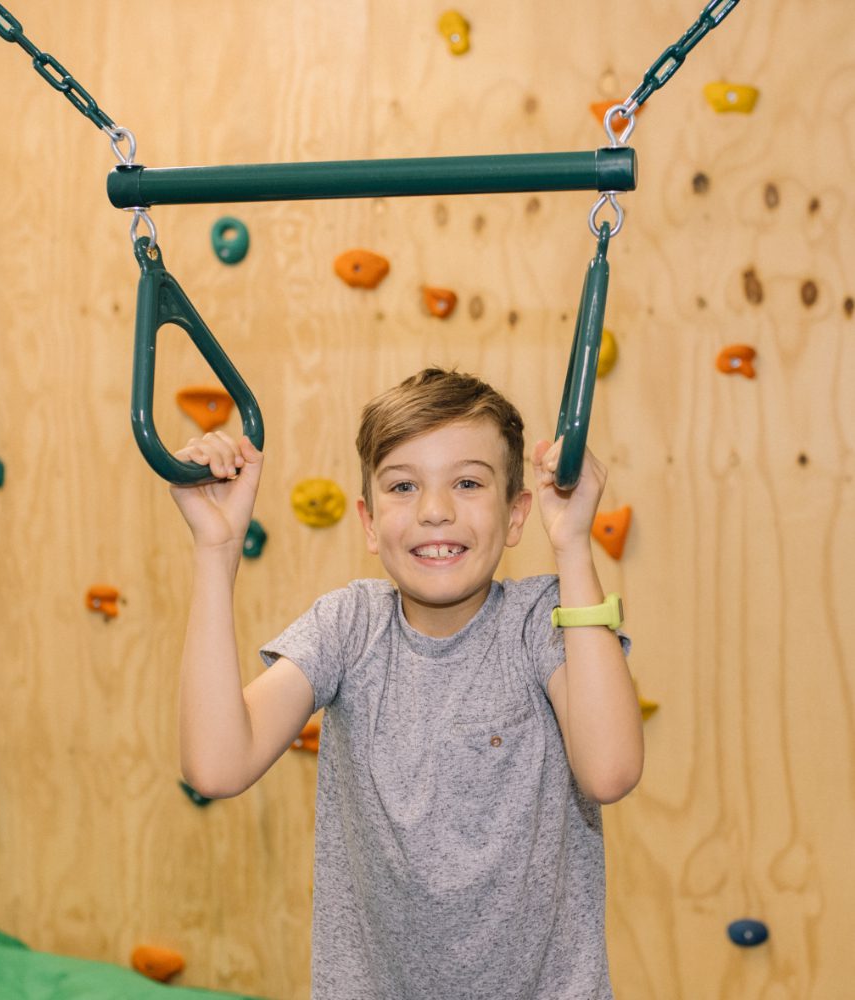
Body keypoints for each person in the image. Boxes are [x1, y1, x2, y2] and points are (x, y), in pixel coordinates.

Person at [170, 367, 644, 1000]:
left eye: (469, 482)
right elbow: (215, 766)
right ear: (369, 523)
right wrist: (215, 550)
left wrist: (574, 544)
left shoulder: (544, 624)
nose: (435, 511)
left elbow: (610, 771)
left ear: (515, 514)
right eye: (403, 486)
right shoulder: (348, 626)